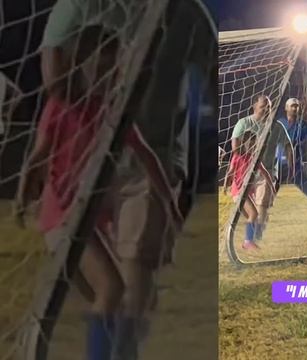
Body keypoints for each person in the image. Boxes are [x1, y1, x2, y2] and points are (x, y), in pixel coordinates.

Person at [38, 0, 217, 358]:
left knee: (132, 276)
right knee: (105, 289)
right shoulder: (79, 6)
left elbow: (213, 76)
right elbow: (54, 80)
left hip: (151, 152)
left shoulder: (186, 12)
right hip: (86, 162)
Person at [15, 25, 182, 360]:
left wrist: (169, 201)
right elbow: (39, 154)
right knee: (111, 289)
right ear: (80, 64)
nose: (107, 74)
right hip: (61, 217)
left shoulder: (111, 109)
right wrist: (23, 195)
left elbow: (146, 155)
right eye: (99, 67)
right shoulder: (61, 105)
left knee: (112, 297)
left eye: (112, 67)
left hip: (87, 218)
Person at [230, 95, 293, 240]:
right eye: (263, 106)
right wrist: (248, 153)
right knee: (249, 212)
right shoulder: (244, 123)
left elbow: (288, 146)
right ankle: (258, 224)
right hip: (245, 172)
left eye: (269, 107)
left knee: (261, 205)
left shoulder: (276, 126)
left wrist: (292, 166)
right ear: (254, 107)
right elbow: (235, 147)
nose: (266, 109)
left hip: (267, 170)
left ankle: (254, 237)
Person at [223, 130, 277, 250]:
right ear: (244, 143)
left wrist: (272, 187)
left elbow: (265, 173)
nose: (252, 146)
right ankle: (248, 242)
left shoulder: (254, 158)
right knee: (253, 214)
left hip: (246, 192)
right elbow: (230, 172)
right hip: (238, 192)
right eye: (250, 144)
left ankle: (248, 240)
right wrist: (226, 185)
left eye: (254, 144)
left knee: (252, 216)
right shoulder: (237, 157)